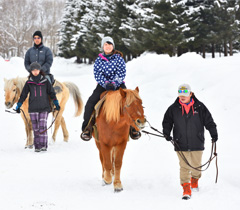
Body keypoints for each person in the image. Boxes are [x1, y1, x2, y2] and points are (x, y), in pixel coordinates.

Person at [162, 84, 218, 200]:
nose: (182, 96)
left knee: (196, 166)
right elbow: (167, 122)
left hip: (197, 142)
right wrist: (166, 132)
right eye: (180, 94)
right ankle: (186, 187)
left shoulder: (200, 107)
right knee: (184, 166)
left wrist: (213, 133)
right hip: (180, 142)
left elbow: (209, 121)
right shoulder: (173, 108)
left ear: (191, 94)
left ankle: (195, 180)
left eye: (185, 94)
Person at [80, 36, 141, 141]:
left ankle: (134, 128)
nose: (108, 47)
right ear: (103, 47)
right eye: (105, 45)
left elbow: (121, 72)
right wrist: (105, 83)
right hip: (103, 86)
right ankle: (87, 128)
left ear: (113, 46)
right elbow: (97, 74)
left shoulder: (119, 59)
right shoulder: (99, 60)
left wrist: (114, 82)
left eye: (110, 44)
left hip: (118, 85)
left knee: (131, 100)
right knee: (90, 103)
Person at [15, 62, 60, 152]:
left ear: (39, 70)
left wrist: (56, 103)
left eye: (37, 70)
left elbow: (52, 93)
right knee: (35, 128)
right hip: (33, 108)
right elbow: (23, 95)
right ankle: (38, 146)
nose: (35, 72)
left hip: (44, 107)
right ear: (31, 71)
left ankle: (43, 145)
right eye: (33, 70)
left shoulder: (46, 81)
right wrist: (19, 105)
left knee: (42, 126)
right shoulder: (29, 83)